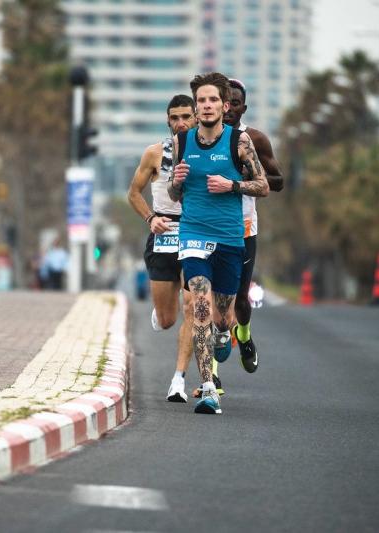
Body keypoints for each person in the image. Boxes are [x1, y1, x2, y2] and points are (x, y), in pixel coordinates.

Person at [169, 72, 268, 414]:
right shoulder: (182, 141)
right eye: (201, 100)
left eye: (213, 100)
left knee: (223, 316)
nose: (207, 105)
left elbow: (263, 185)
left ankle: (225, 333)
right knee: (200, 306)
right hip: (193, 233)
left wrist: (232, 186)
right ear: (196, 107)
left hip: (229, 236)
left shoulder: (239, 141)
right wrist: (176, 182)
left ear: (225, 106)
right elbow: (174, 192)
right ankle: (209, 388)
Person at [127, 94, 197, 403]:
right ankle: (162, 311)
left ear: (196, 118)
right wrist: (150, 218)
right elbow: (133, 193)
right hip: (164, 232)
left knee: (192, 307)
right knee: (168, 319)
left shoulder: (209, 152)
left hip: (195, 232)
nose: (181, 123)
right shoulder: (155, 153)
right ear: (168, 121)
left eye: (186, 117)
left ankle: (178, 380)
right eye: (175, 118)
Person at [223, 78, 284, 374]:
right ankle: (212, 378)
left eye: (235, 104)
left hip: (244, 227)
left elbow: (279, 181)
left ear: (243, 108)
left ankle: (244, 336)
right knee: (208, 301)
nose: (228, 109)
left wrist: (247, 176)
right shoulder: (201, 137)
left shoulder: (255, 139)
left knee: (240, 299)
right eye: (225, 102)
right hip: (208, 227)